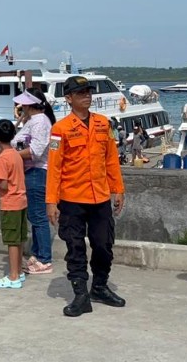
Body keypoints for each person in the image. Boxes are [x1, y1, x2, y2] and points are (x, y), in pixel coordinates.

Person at [46, 75, 126, 317]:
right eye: (81, 93)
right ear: (69, 98)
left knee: (103, 245)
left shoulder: (103, 124)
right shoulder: (60, 129)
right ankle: (81, 294)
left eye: (88, 92)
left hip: (100, 197)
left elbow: (111, 159)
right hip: (72, 199)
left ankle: (99, 286)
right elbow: (54, 167)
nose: (87, 97)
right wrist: (51, 201)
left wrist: (118, 189)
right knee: (75, 247)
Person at [12, 89, 56, 275]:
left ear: (29, 105)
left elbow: (36, 150)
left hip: (37, 171)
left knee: (38, 216)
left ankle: (44, 259)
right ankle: (38, 254)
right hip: (32, 171)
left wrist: (11, 155)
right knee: (34, 216)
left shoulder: (39, 121)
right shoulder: (35, 120)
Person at [0, 119, 27, 289]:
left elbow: (3, 185)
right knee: (19, 239)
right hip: (21, 200)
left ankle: (13, 276)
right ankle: (19, 271)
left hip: (10, 203)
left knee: (12, 241)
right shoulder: (16, 154)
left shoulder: (3, 158)